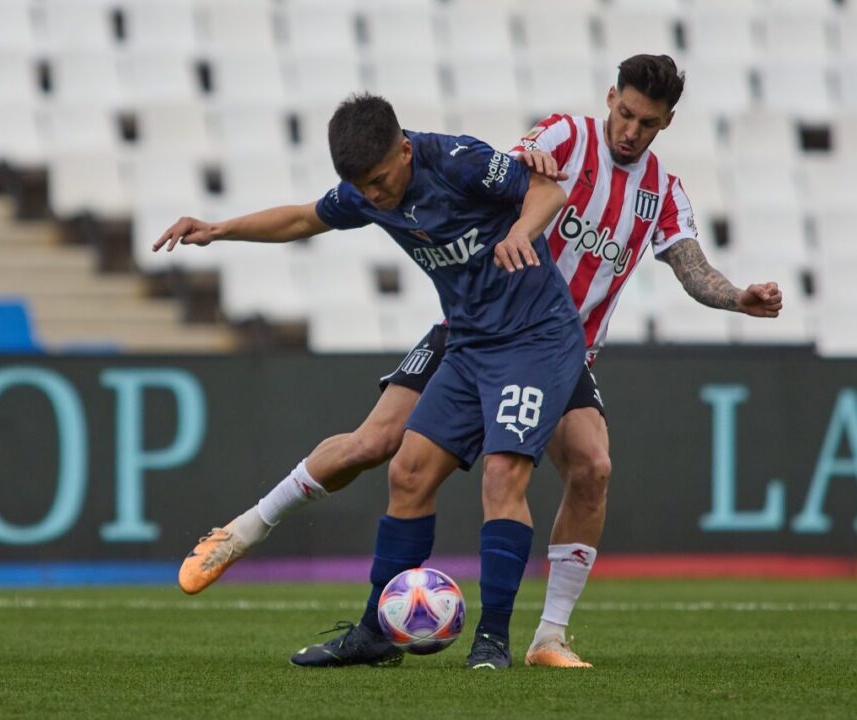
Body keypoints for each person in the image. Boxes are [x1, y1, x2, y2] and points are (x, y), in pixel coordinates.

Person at [175, 55, 784, 669]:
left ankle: (537, 638)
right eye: (623, 113)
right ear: (609, 99)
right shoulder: (564, 137)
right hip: (467, 327)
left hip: (549, 340)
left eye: (645, 121)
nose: (629, 129)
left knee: (583, 467)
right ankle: (260, 542)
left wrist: (736, 297)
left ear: (666, 123)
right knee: (385, 451)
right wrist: (220, 229)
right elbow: (524, 165)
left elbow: (690, 267)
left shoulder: (660, 194)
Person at [156, 93, 587, 670]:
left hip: (535, 339)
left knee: (503, 473)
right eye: (363, 187)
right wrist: (219, 229)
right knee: (407, 472)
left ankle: (492, 641)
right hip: (468, 341)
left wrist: (521, 231)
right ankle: (377, 634)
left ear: (405, 150)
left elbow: (547, 190)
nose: (375, 195)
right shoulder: (367, 190)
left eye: (382, 180)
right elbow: (303, 217)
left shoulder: (458, 161)